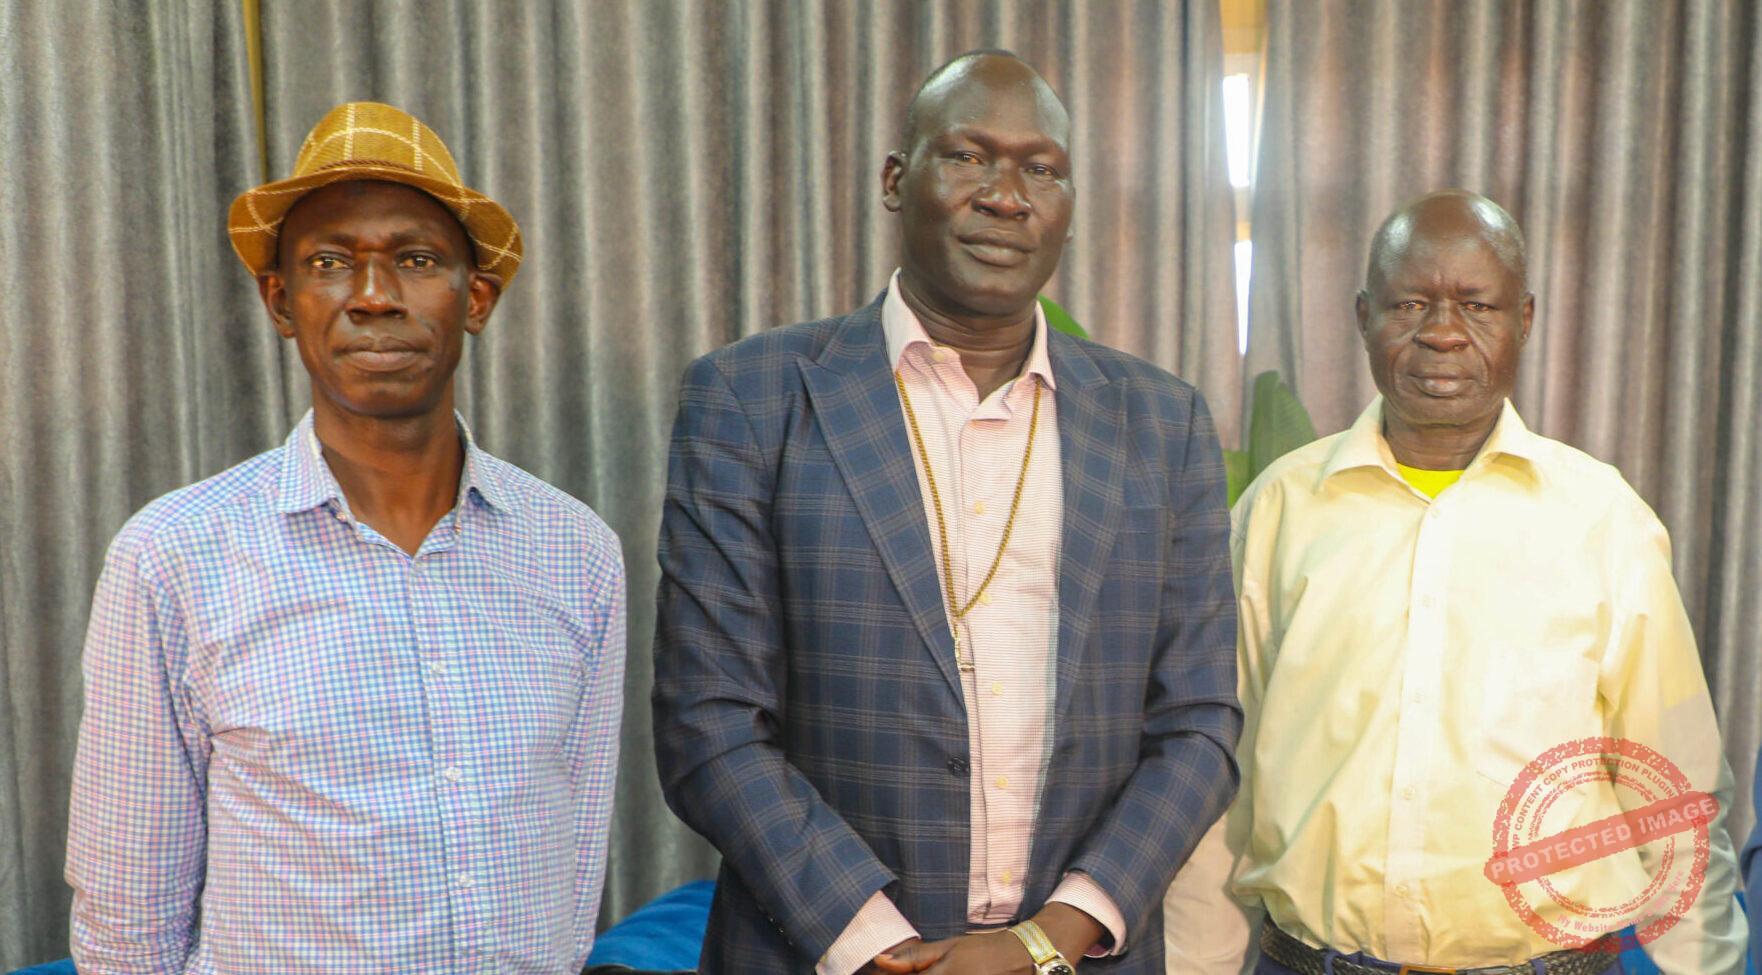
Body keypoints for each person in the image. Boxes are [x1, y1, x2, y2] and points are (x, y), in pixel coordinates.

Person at [652, 50, 1241, 975]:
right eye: (968, 156)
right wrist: (879, 943)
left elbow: (1198, 726)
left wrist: (1046, 939)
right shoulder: (752, 396)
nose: (1006, 196)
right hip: (823, 952)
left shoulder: (1163, 422)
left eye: (1041, 169)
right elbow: (709, 720)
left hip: (1077, 957)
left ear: (1068, 206)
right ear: (897, 180)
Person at [65, 101, 627, 973]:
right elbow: (127, 910)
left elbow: (577, 852)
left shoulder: (576, 550)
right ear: (281, 301)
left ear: (476, 298)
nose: (372, 296)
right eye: (330, 263)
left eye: (416, 259)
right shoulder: (172, 555)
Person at [1163, 190, 1749, 973]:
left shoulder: (1604, 520)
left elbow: (1673, 795)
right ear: (1364, 316)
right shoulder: (1279, 510)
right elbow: (1217, 778)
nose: (1442, 332)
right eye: (1410, 304)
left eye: (1477, 305)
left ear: (1524, 319)